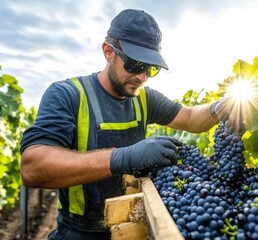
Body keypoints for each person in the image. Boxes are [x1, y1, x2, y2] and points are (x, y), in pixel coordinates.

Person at [20, 9, 229, 240]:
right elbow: (33, 167)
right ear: (108, 52)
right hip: (78, 233)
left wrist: (222, 107)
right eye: (135, 64)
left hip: (135, 227)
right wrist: (122, 158)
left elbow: (191, 118)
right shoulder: (68, 95)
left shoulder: (145, 99)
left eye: (151, 68)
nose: (143, 77)